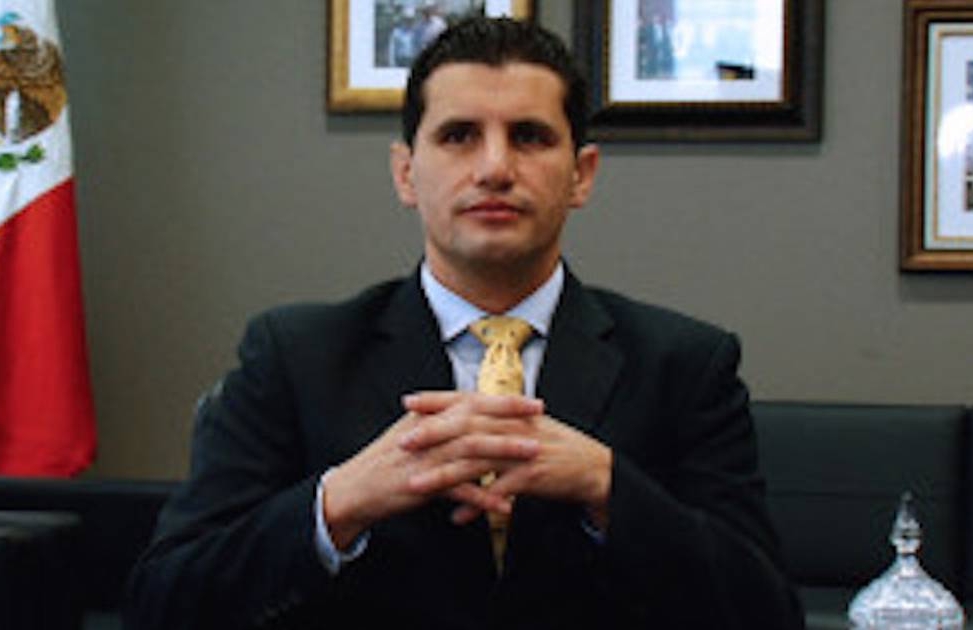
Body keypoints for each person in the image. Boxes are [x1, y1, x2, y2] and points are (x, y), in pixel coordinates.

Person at [124, 17, 802, 630]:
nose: (495, 168)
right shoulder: (295, 356)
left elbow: (767, 613)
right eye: (458, 136)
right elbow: (162, 604)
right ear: (406, 174)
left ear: (581, 175)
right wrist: (339, 504)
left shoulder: (686, 364)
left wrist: (609, 487)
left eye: (529, 137)